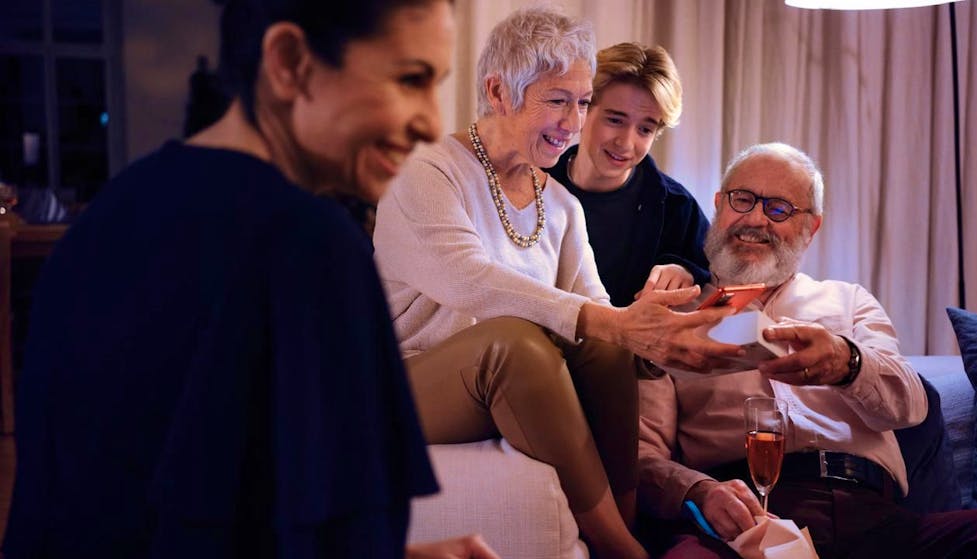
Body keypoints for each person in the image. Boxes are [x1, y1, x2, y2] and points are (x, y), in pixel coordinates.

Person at [3, 1, 496, 558]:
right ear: (290, 62)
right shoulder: (312, 246)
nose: (432, 121)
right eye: (411, 79)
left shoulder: (105, 219)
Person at [373, 7, 743, 559]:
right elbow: (473, 280)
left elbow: (596, 312)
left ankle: (628, 520)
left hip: (510, 386)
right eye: (557, 100)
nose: (574, 123)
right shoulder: (426, 172)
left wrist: (656, 335)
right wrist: (613, 321)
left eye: (583, 102)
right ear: (499, 92)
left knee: (605, 347)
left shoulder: (561, 204)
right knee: (516, 345)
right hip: (405, 386)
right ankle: (625, 549)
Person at [637, 142, 977, 559]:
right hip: (744, 519)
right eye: (743, 199)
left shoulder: (849, 301)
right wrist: (698, 491)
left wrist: (847, 363)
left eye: (779, 209)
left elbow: (909, 406)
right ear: (718, 206)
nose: (754, 219)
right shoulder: (676, 314)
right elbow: (641, 455)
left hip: (874, 517)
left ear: (812, 227)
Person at [545, 42, 711, 307]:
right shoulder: (530, 180)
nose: (626, 143)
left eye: (645, 129)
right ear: (583, 109)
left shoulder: (678, 208)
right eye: (615, 120)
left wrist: (687, 271)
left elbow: (710, 268)